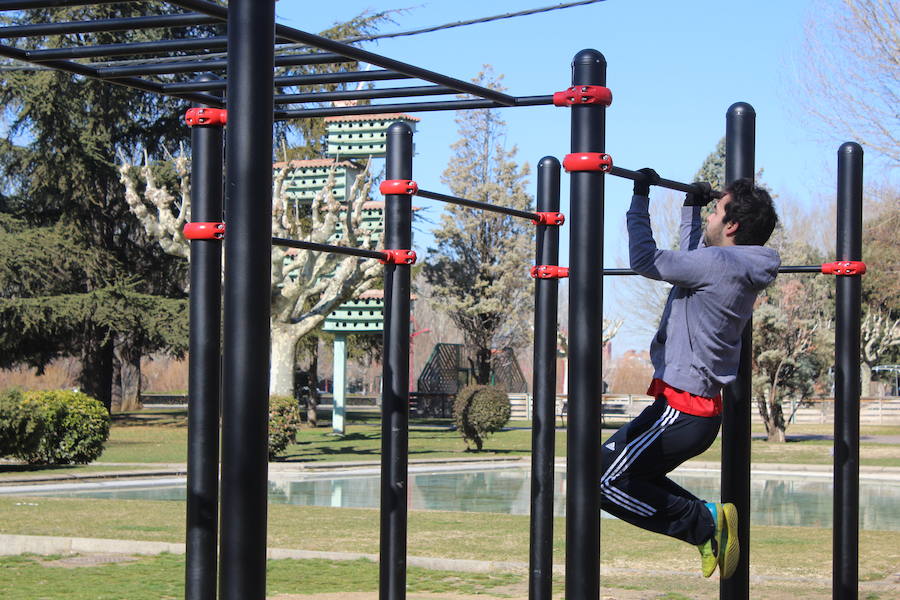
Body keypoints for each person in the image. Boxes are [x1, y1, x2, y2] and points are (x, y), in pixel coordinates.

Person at [599, 169, 780, 579]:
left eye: (716, 211)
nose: (712, 218)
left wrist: (639, 195)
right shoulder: (733, 266)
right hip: (690, 413)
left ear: (731, 225)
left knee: (602, 482)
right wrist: (691, 208)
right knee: (617, 476)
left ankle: (704, 523)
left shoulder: (718, 263)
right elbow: (696, 259)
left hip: (680, 412)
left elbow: (646, 259)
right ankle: (705, 522)